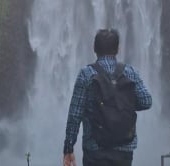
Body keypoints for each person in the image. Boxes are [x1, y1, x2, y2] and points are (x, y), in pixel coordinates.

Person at [63, 29, 153, 166]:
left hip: (95, 149)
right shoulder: (131, 72)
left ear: (94, 48)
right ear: (117, 49)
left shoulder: (86, 74)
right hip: (124, 149)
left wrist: (68, 148)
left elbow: (75, 115)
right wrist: (124, 103)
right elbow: (146, 101)